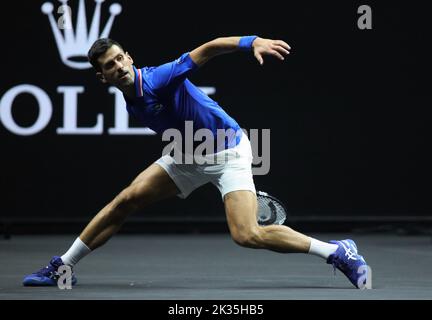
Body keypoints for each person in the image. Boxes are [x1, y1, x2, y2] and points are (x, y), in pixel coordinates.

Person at [23, 36, 369, 289]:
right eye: (108, 66)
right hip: (186, 155)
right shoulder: (132, 100)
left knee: (247, 234)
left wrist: (253, 43)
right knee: (125, 200)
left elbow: (208, 49)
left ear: (129, 57)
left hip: (228, 153)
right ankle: (63, 267)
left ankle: (337, 251)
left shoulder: (159, 76)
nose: (117, 67)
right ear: (103, 78)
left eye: (119, 59)